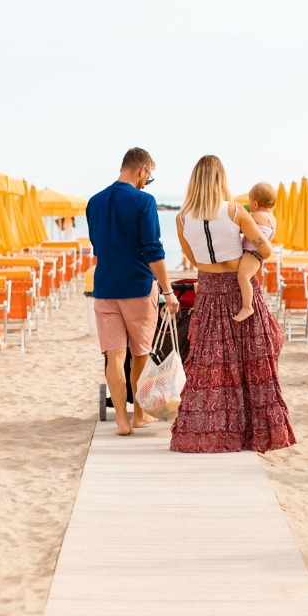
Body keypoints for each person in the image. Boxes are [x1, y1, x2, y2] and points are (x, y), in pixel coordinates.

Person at [170, 155, 295, 454]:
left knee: (211, 364)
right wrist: (249, 257)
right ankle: (252, 433)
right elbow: (266, 248)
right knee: (251, 361)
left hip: (210, 290)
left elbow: (192, 256)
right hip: (240, 287)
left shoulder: (181, 218)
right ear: (221, 180)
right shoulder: (236, 211)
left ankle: (211, 434)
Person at [87, 148, 180, 436]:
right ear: (141, 169)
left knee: (114, 355)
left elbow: (97, 244)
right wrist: (168, 291)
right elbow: (153, 250)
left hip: (104, 288)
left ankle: (121, 422)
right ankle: (139, 415)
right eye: (148, 176)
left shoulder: (94, 202)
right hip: (138, 289)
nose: (147, 182)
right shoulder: (144, 201)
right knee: (140, 353)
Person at [233, 182, 277, 322]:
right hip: (256, 254)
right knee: (244, 277)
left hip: (252, 253)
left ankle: (247, 307)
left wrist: (240, 211)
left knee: (243, 277)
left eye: (250, 202)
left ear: (256, 204)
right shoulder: (272, 218)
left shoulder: (257, 216)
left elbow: (241, 225)